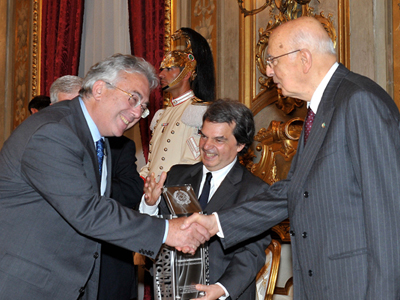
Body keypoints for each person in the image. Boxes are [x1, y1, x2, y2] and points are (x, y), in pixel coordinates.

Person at [185, 16, 400, 300]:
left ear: (304, 59)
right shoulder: (318, 111)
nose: (269, 72)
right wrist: (216, 223)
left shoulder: (359, 100)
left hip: (355, 286)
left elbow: (388, 216)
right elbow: (294, 192)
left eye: (273, 60)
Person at [0, 54, 210, 300]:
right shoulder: (54, 131)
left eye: (142, 107)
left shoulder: (97, 137)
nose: (136, 113)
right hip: (30, 285)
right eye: (133, 99)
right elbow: (88, 211)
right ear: (99, 89)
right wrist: (166, 231)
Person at [141, 99, 271, 300]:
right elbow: (154, 232)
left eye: (219, 140)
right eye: (203, 136)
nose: (206, 146)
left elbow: (252, 253)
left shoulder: (256, 191)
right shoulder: (176, 175)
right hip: (171, 291)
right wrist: (150, 206)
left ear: (241, 144)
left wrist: (221, 288)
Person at [50, 75, 142, 300]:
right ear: (53, 108)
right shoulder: (44, 142)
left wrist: (88, 194)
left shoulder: (119, 145)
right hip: (56, 263)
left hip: (109, 265)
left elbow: (132, 191)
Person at [139, 27, 216, 181]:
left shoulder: (198, 110)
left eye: (169, 69)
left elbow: (194, 162)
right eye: (162, 69)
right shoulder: (161, 114)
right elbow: (153, 160)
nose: (161, 74)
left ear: (187, 74)